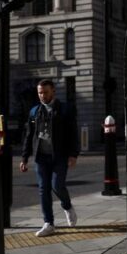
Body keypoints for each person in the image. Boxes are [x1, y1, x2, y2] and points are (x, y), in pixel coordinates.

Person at [20, 79, 79, 237]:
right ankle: (49, 223)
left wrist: (74, 154)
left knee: (57, 185)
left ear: (53, 91)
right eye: (40, 92)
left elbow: (73, 132)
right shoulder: (34, 112)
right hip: (41, 157)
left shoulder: (66, 109)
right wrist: (24, 158)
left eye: (45, 92)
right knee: (43, 189)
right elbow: (29, 135)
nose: (42, 95)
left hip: (60, 155)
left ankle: (67, 206)